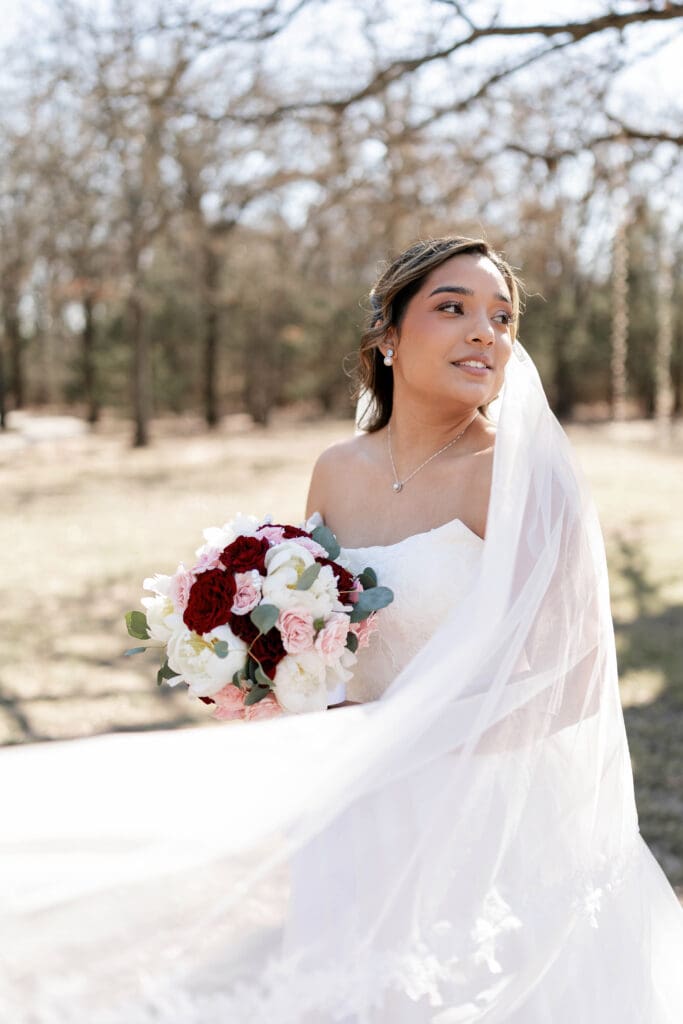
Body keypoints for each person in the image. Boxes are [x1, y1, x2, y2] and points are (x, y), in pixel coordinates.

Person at [2, 236, 683, 1024]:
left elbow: (573, 683)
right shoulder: (336, 469)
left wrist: (398, 739)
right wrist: (252, 668)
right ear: (387, 338)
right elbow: (317, 634)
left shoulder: (519, 476)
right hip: (355, 814)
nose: (484, 333)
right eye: (451, 308)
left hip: (484, 817)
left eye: (501, 316)